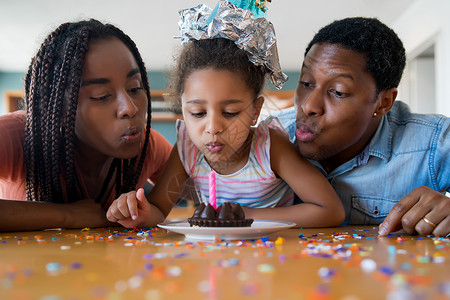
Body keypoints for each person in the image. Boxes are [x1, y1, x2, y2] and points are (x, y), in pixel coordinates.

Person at [106, 1, 345, 228]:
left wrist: (247, 216)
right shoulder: (188, 149)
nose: (213, 127)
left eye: (230, 112)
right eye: (198, 112)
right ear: (183, 108)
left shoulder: (270, 148)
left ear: (255, 111)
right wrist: (140, 213)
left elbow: (329, 209)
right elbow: (158, 208)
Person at [271, 17, 450, 236]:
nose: (308, 106)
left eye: (338, 91)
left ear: (384, 102)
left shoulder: (433, 143)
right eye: (306, 83)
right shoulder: (267, 138)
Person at [0, 19, 172, 232]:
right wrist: (68, 215)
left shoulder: (149, 145)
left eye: (135, 88)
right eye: (102, 96)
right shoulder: (16, 135)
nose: (129, 107)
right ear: (62, 110)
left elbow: (198, 196)